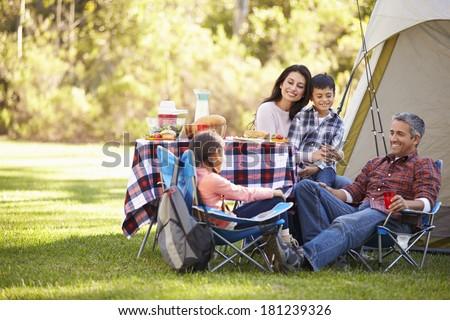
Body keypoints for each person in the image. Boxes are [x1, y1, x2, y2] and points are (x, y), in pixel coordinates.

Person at [292, 112, 441, 271]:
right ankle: (329, 258)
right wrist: (329, 191)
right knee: (306, 186)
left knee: (346, 222)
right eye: (391, 133)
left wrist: (406, 203)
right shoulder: (376, 162)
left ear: (415, 139)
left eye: (400, 134)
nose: (393, 138)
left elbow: (427, 201)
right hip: (360, 211)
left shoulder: (424, 164)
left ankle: (300, 258)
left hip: (391, 221)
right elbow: (353, 192)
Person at [189, 130, 297, 246]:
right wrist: (273, 192)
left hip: (215, 225)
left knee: (269, 201)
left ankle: (276, 244)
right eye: (223, 153)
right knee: (277, 200)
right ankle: (287, 244)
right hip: (227, 226)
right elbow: (245, 194)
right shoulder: (211, 179)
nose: (224, 157)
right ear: (215, 155)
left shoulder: (196, 174)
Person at [288, 73, 344, 187]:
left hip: (324, 169)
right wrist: (310, 157)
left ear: (334, 95)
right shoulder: (301, 117)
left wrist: (317, 167)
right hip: (300, 166)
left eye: (328, 95)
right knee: (297, 181)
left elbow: (333, 155)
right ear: (311, 97)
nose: (324, 100)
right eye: (319, 96)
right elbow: (290, 152)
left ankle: (321, 193)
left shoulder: (338, 123)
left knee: (325, 177)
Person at [255, 64, 312, 137]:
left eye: (300, 86)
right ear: (281, 84)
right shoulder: (267, 109)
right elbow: (268, 145)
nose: (293, 88)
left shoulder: (305, 115)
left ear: (304, 93)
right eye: (290, 82)